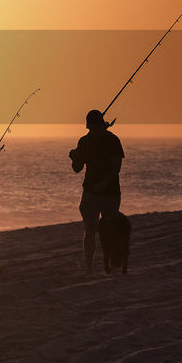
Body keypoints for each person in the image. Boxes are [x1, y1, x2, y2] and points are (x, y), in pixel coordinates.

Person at [69, 109, 124, 274]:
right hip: (90, 193)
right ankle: (89, 269)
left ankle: (112, 267)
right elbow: (77, 169)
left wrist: (103, 183)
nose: (94, 131)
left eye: (96, 128)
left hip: (110, 193)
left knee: (109, 229)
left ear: (102, 126)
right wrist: (74, 157)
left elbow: (116, 168)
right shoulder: (84, 142)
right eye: (91, 128)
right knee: (90, 229)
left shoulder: (113, 140)